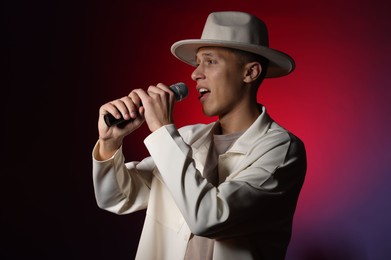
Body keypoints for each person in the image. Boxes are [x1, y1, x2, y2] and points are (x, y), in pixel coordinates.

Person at [92, 11, 307, 260]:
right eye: (197, 63)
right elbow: (116, 198)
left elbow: (209, 218)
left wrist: (162, 130)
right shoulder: (185, 139)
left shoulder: (281, 150)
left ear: (250, 72)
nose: (195, 74)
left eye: (210, 61)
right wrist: (110, 142)